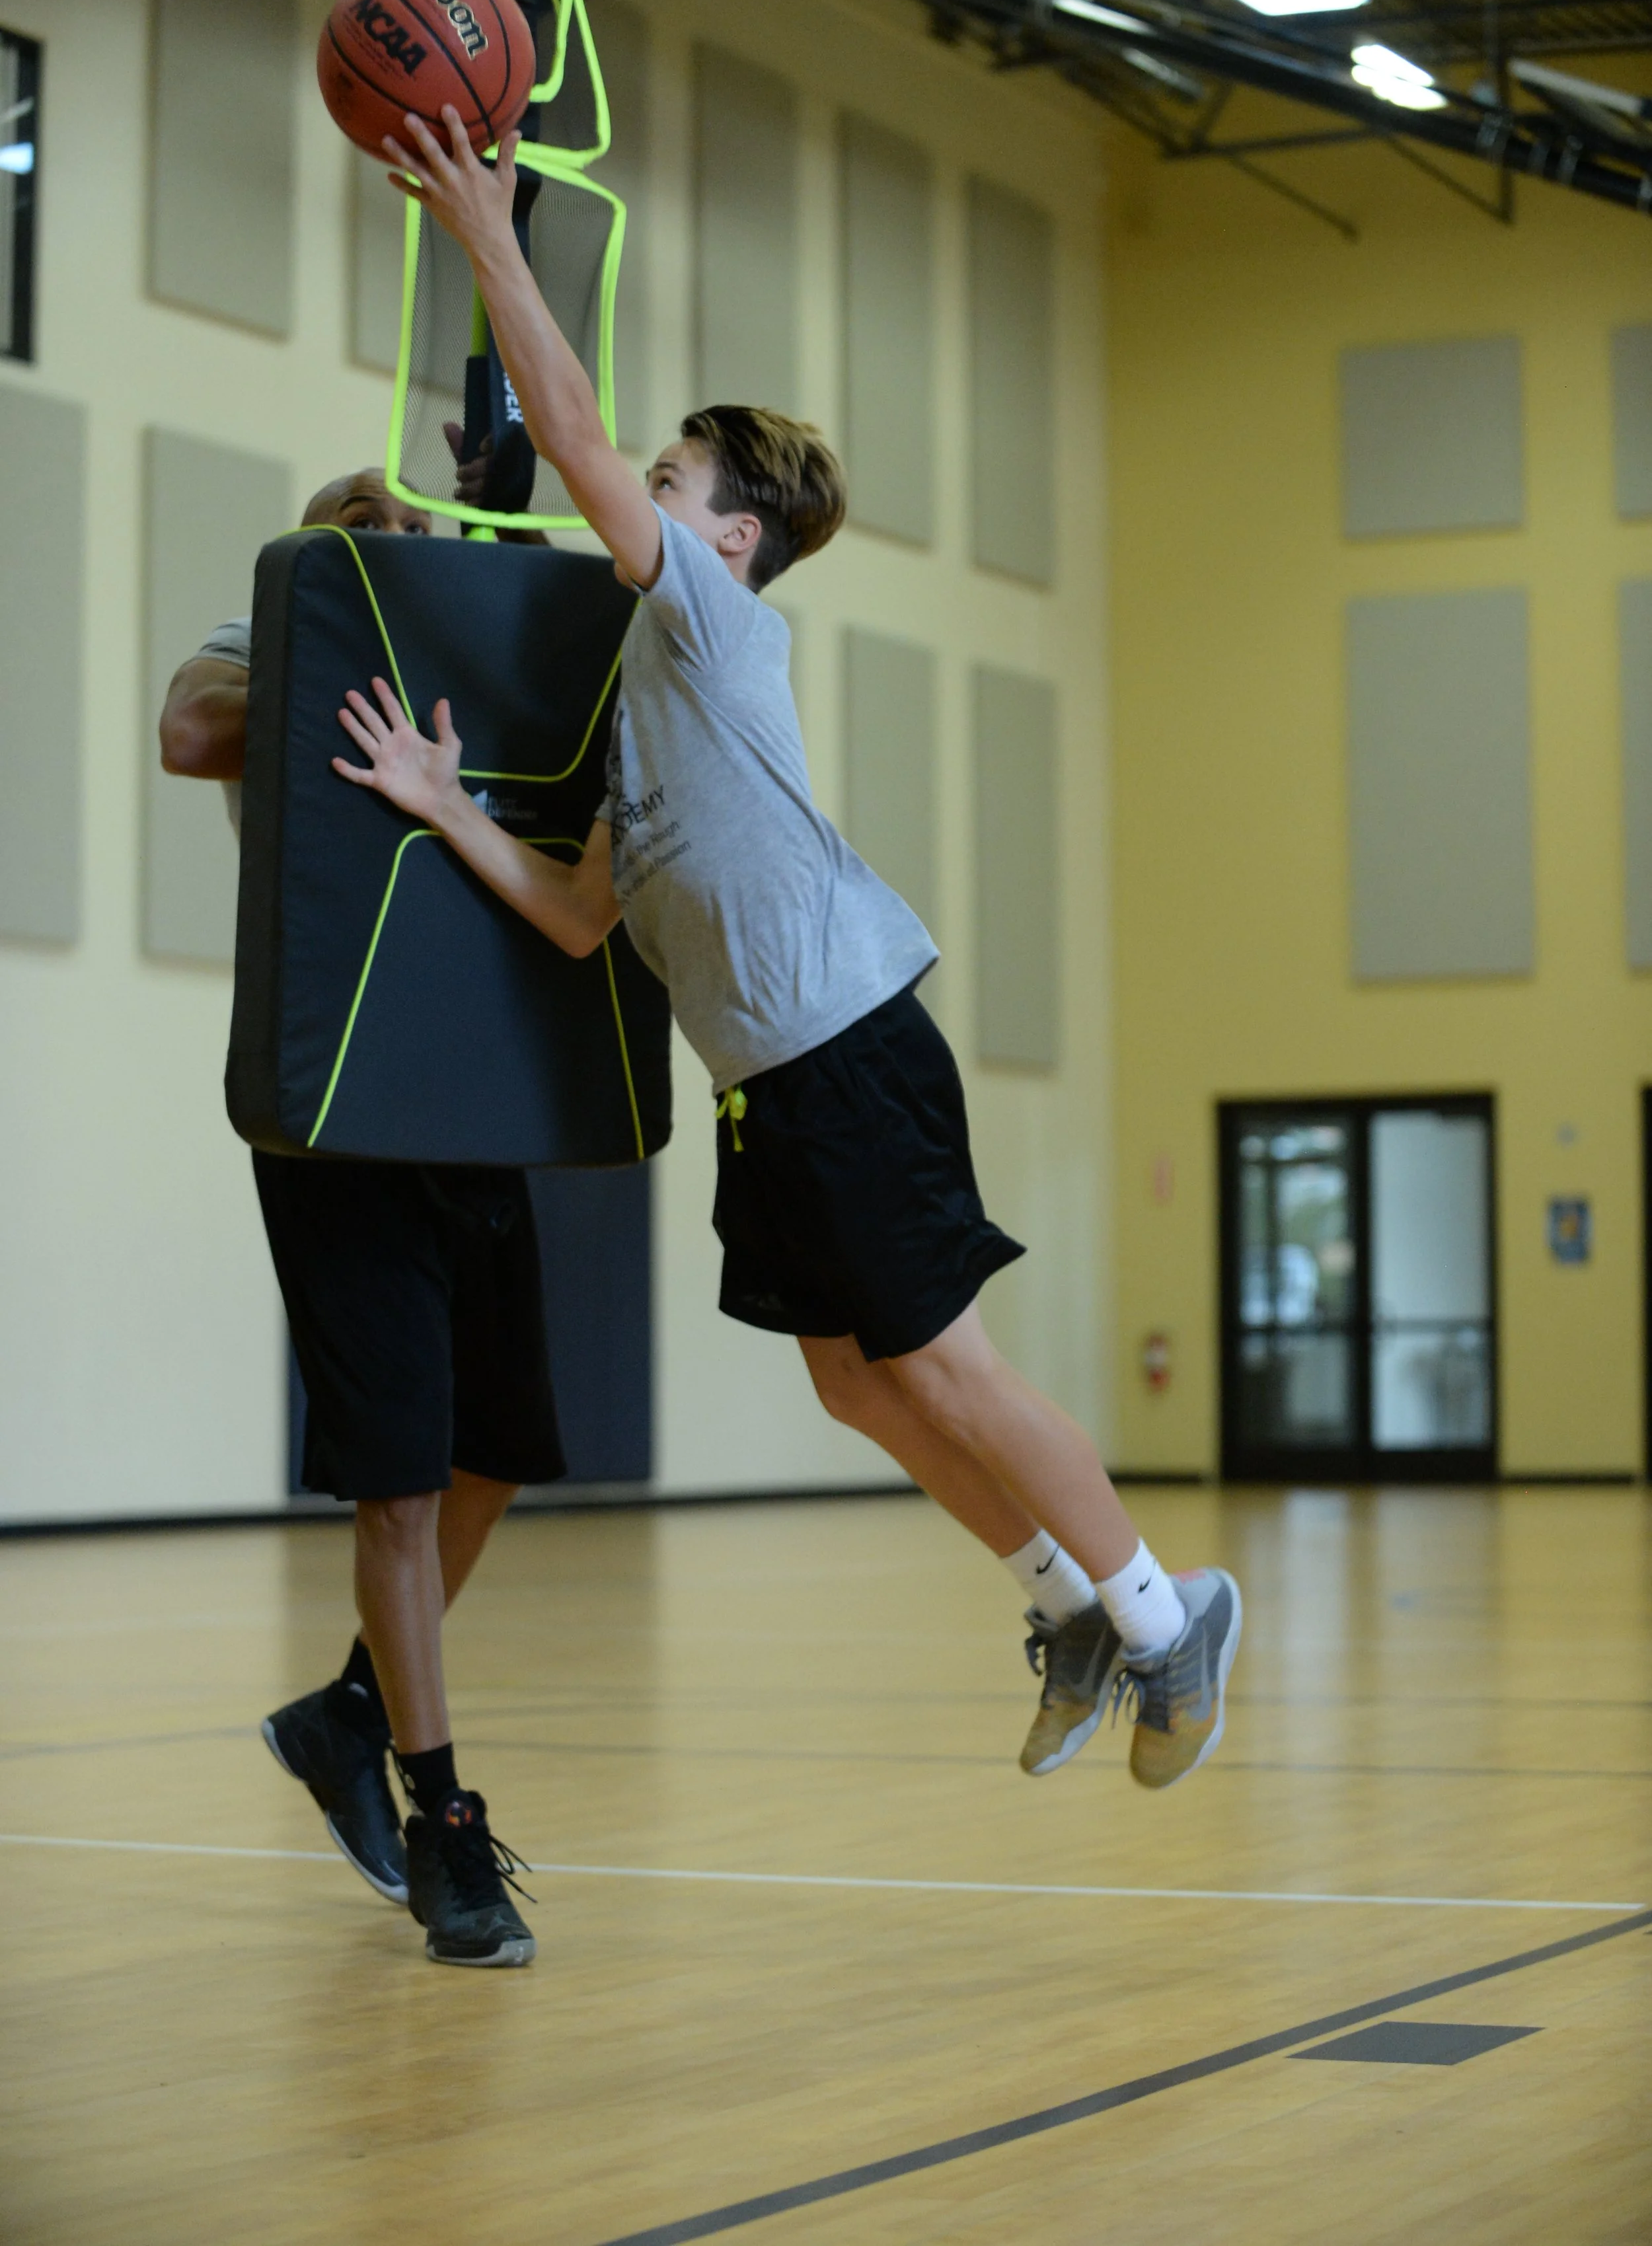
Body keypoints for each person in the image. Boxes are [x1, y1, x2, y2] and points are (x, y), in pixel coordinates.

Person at [336, 106, 1242, 1797]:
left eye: (670, 487)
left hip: (845, 1047)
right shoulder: (642, 709)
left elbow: (577, 434)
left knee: (944, 1366)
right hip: (770, 1086)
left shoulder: (707, 616)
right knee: (848, 1382)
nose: (640, 492)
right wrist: (446, 806)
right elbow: (581, 915)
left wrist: (487, 232)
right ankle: (1062, 1600)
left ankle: (1162, 1608)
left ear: (723, 538)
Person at [159, 465, 545, 1968]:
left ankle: (344, 1715)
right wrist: (356, 677)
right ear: (316, 556)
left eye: (419, 529)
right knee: (394, 1480)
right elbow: (191, 731)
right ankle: (443, 1823)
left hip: (478, 1099)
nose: (396, 539)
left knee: (495, 1452)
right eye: (362, 524)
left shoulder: (479, 667)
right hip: (334, 1107)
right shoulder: (271, 633)